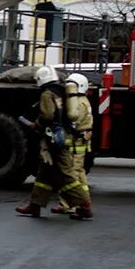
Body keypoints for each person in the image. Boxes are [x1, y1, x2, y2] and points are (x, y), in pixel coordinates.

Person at [16, 66, 93, 220]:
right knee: (44, 172)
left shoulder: (47, 93)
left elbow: (48, 114)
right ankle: (35, 205)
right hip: (61, 136)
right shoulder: (61, 90)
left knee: (66, 173)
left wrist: (36, 124)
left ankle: (84, 206)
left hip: (54, 139)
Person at [51, 73, 93, 215]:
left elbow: (72, 121)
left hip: (74, 145)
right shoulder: (85, 101)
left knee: (70, 175)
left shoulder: (76, 104)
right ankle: (84, 201)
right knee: (79, 174)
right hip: (81, 143)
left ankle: (68, 205)